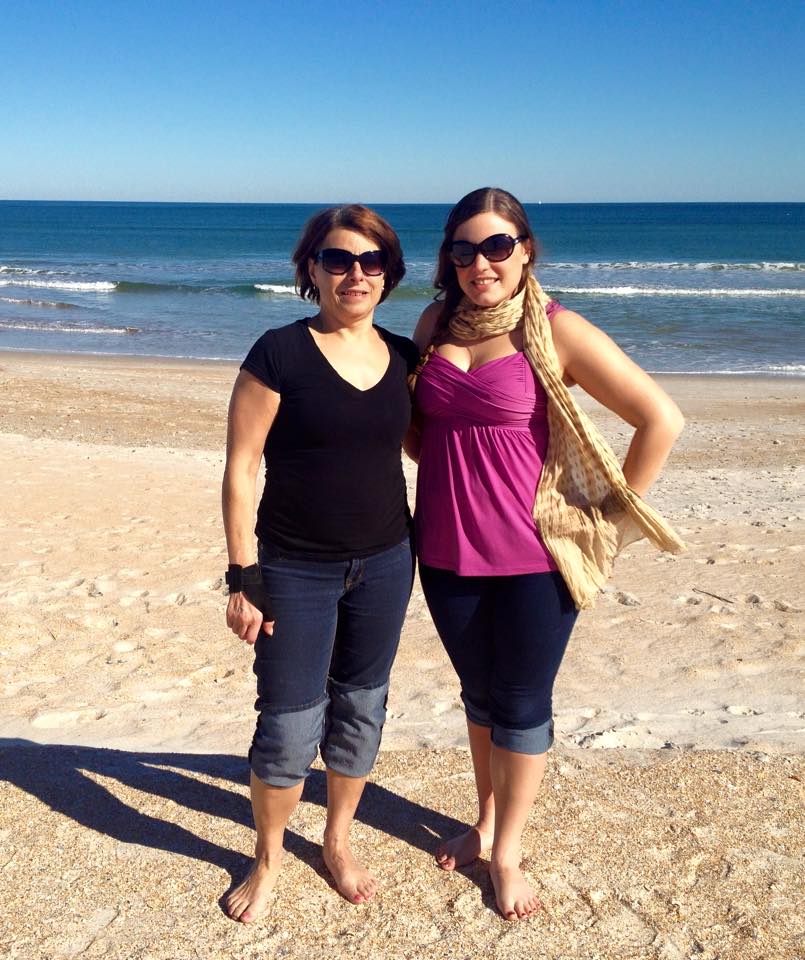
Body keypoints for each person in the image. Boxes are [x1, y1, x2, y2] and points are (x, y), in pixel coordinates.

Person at [407, 187, 684, 921]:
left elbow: (660, 418)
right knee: (478, 694)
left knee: (523, 705)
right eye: (464, 250)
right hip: (443, 547)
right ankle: (484, 821)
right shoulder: (434, 323)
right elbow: (420, 426)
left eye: (497, 246)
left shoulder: (558, 330)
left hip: (535, 555)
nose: (480, 263)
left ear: (525, 250)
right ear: (449, 259)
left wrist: (613, 518)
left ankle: (508, 853)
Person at [222, 205, 419, 922]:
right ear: (312, 269)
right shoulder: (278, 352)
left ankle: (336, 839)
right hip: (294, 569)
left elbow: (429, 446)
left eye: (371, 261)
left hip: (388, 562)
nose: (355, 274)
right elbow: (241, 468)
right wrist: (244, 577)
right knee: (287, 722)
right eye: (338, 259)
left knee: (362, 707)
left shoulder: (405, 357)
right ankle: (269, 856)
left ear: (388, 273)